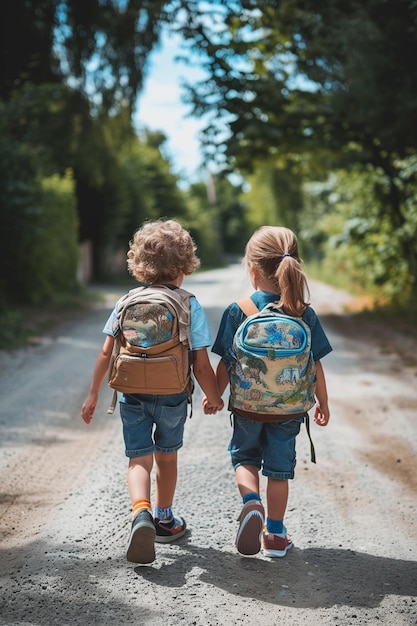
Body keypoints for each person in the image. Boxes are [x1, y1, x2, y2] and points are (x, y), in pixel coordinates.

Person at [81, 219, 224, 564]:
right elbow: (201, 363)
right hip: (172, 395)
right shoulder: (189, 304)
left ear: (139, 264)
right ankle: (164, 518)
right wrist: (215, 396)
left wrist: (93, 394)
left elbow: (106, 352)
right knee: (167, 456)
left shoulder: (126, 301)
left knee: (138, 458)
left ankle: (140, 512)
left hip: (131, 394)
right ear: (185, 265)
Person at [204, 225, 332, 558]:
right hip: (289, 411)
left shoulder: (238, 310)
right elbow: (315, 364)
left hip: (247, 408)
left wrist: (216, 396)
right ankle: (275, 535)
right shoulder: (303, 313)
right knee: (279, 471)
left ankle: (251, 504)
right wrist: (323, 403)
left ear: (253, 269)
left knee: (245, 458)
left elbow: (225, 363)